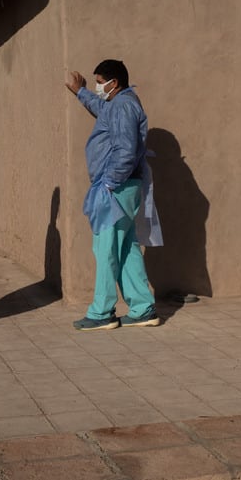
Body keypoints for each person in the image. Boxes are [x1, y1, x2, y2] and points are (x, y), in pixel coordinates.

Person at [64, 59, 163, 330]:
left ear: (113, 83)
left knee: (105, 247)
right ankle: (143, 308)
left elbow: (125, 149)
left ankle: (102, 312)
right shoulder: (120, 103)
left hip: (116, 186)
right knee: (127, 246)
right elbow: (102, 110)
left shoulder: (123, 105)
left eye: (99, 82)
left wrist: (109, 182)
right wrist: (81, 92)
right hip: (123, 185)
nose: (98, 87)